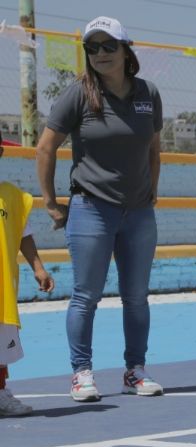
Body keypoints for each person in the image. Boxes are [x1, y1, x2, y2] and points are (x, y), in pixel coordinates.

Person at [36, 16, 163, 401]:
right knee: (85, 295)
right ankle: (81, 373)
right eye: (93, 47)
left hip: (139, 213)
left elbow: (153, 150)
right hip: (91, 208)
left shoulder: (148, 93)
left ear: (127, 50)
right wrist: (52, 203)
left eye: (109, 45)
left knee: (137, 296)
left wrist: (151, 192)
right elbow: (45, 147)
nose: (101, 53)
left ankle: (135, 371)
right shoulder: (78, 93)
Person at [0, 134, 56, 416]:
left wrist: (38, 267)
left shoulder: (10, 196)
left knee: (0, 347)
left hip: (2, 291)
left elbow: (24, 234)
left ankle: (0, 394)